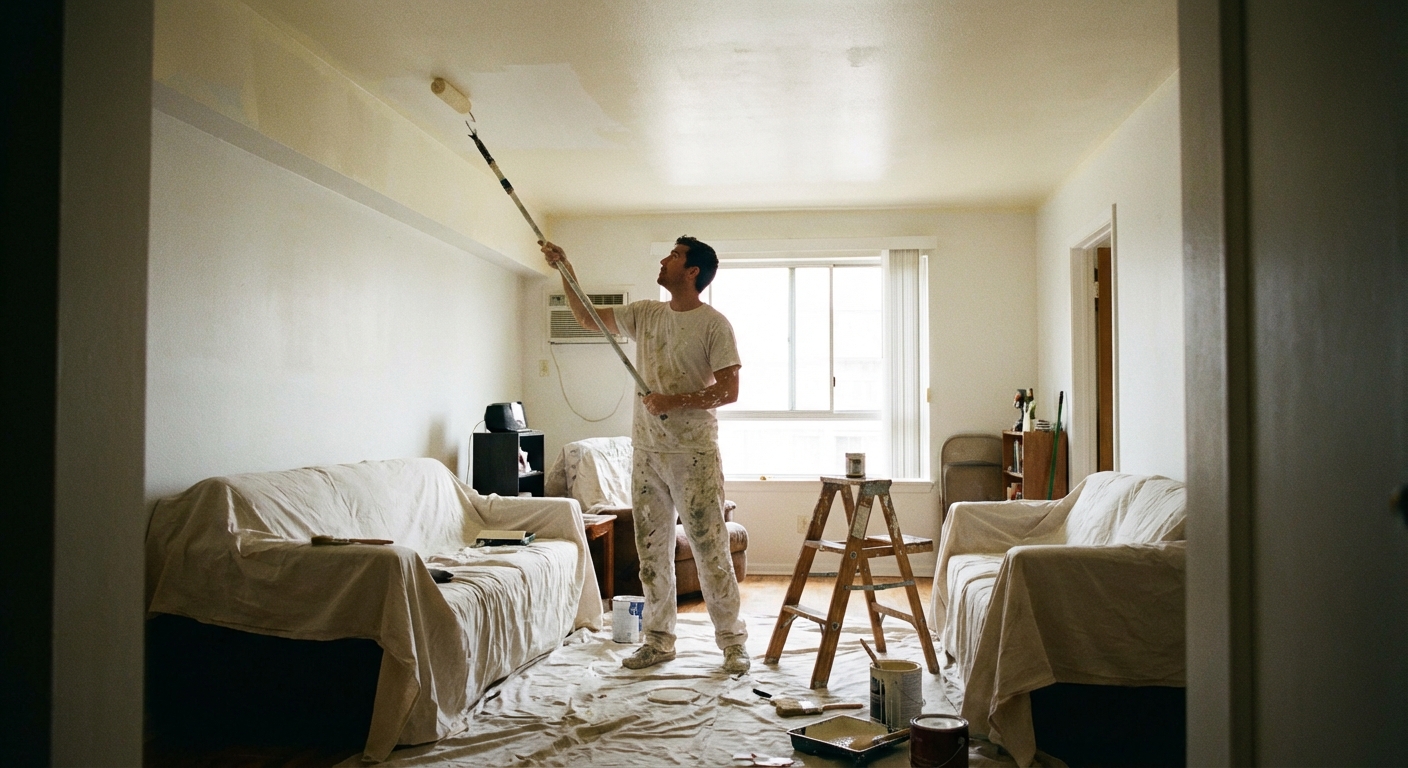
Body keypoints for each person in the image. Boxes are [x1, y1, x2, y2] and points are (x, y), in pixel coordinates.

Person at [541, 236, 750, 674]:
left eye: (674, 255)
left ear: (692, 271)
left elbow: (729, 391)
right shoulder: (646, 314)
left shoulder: (714, 324)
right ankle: (658, 641)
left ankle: (732, 643)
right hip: (648, 452)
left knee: (710, 550)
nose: (664, 259)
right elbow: (586, 317)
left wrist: (673, 400)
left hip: (693, 454)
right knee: (651, 553)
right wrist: (565, 268)